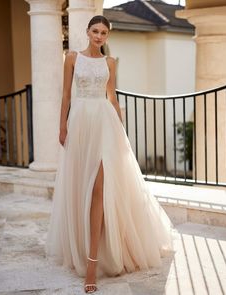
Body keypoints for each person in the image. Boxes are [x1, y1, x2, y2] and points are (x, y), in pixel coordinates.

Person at [45, 15, 174, 294]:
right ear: (87, 31)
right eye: (95, 31)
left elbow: (112, 97)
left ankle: (92, 262)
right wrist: (62, 127)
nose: (99, 36)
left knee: (100, 189)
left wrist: (121, 132)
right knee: (83, 185)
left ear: (108, 36)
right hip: (80, 124)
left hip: (105, 124)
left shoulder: (110, 63)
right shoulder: (72, 58)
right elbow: (66, 95)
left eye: (104, 32)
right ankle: (85, 249)